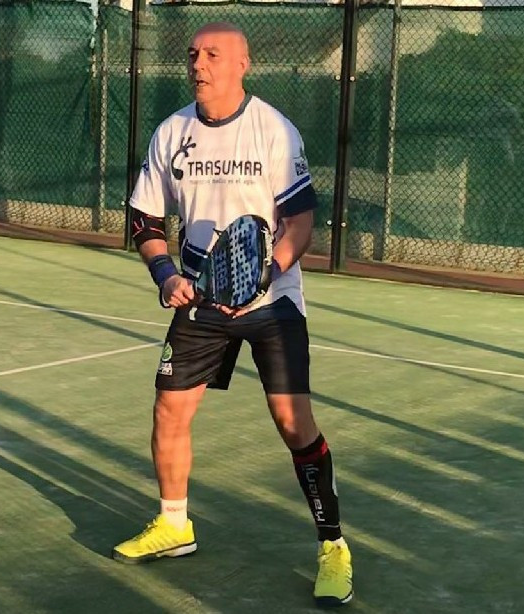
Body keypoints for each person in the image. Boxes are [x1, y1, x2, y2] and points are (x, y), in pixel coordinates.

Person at [112, 21, 353, 607]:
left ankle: (333, 546)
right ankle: (174, 525)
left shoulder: (273, 130)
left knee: (293, 422)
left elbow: (300, 222)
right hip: (200, 300)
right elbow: (144, 220)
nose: (199, 64)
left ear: (242, 64)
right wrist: (166, 274)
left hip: (272, 303)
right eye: (193, 54)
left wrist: (266, 273)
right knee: (169, 408)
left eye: (213, 55)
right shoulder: (172, 132)